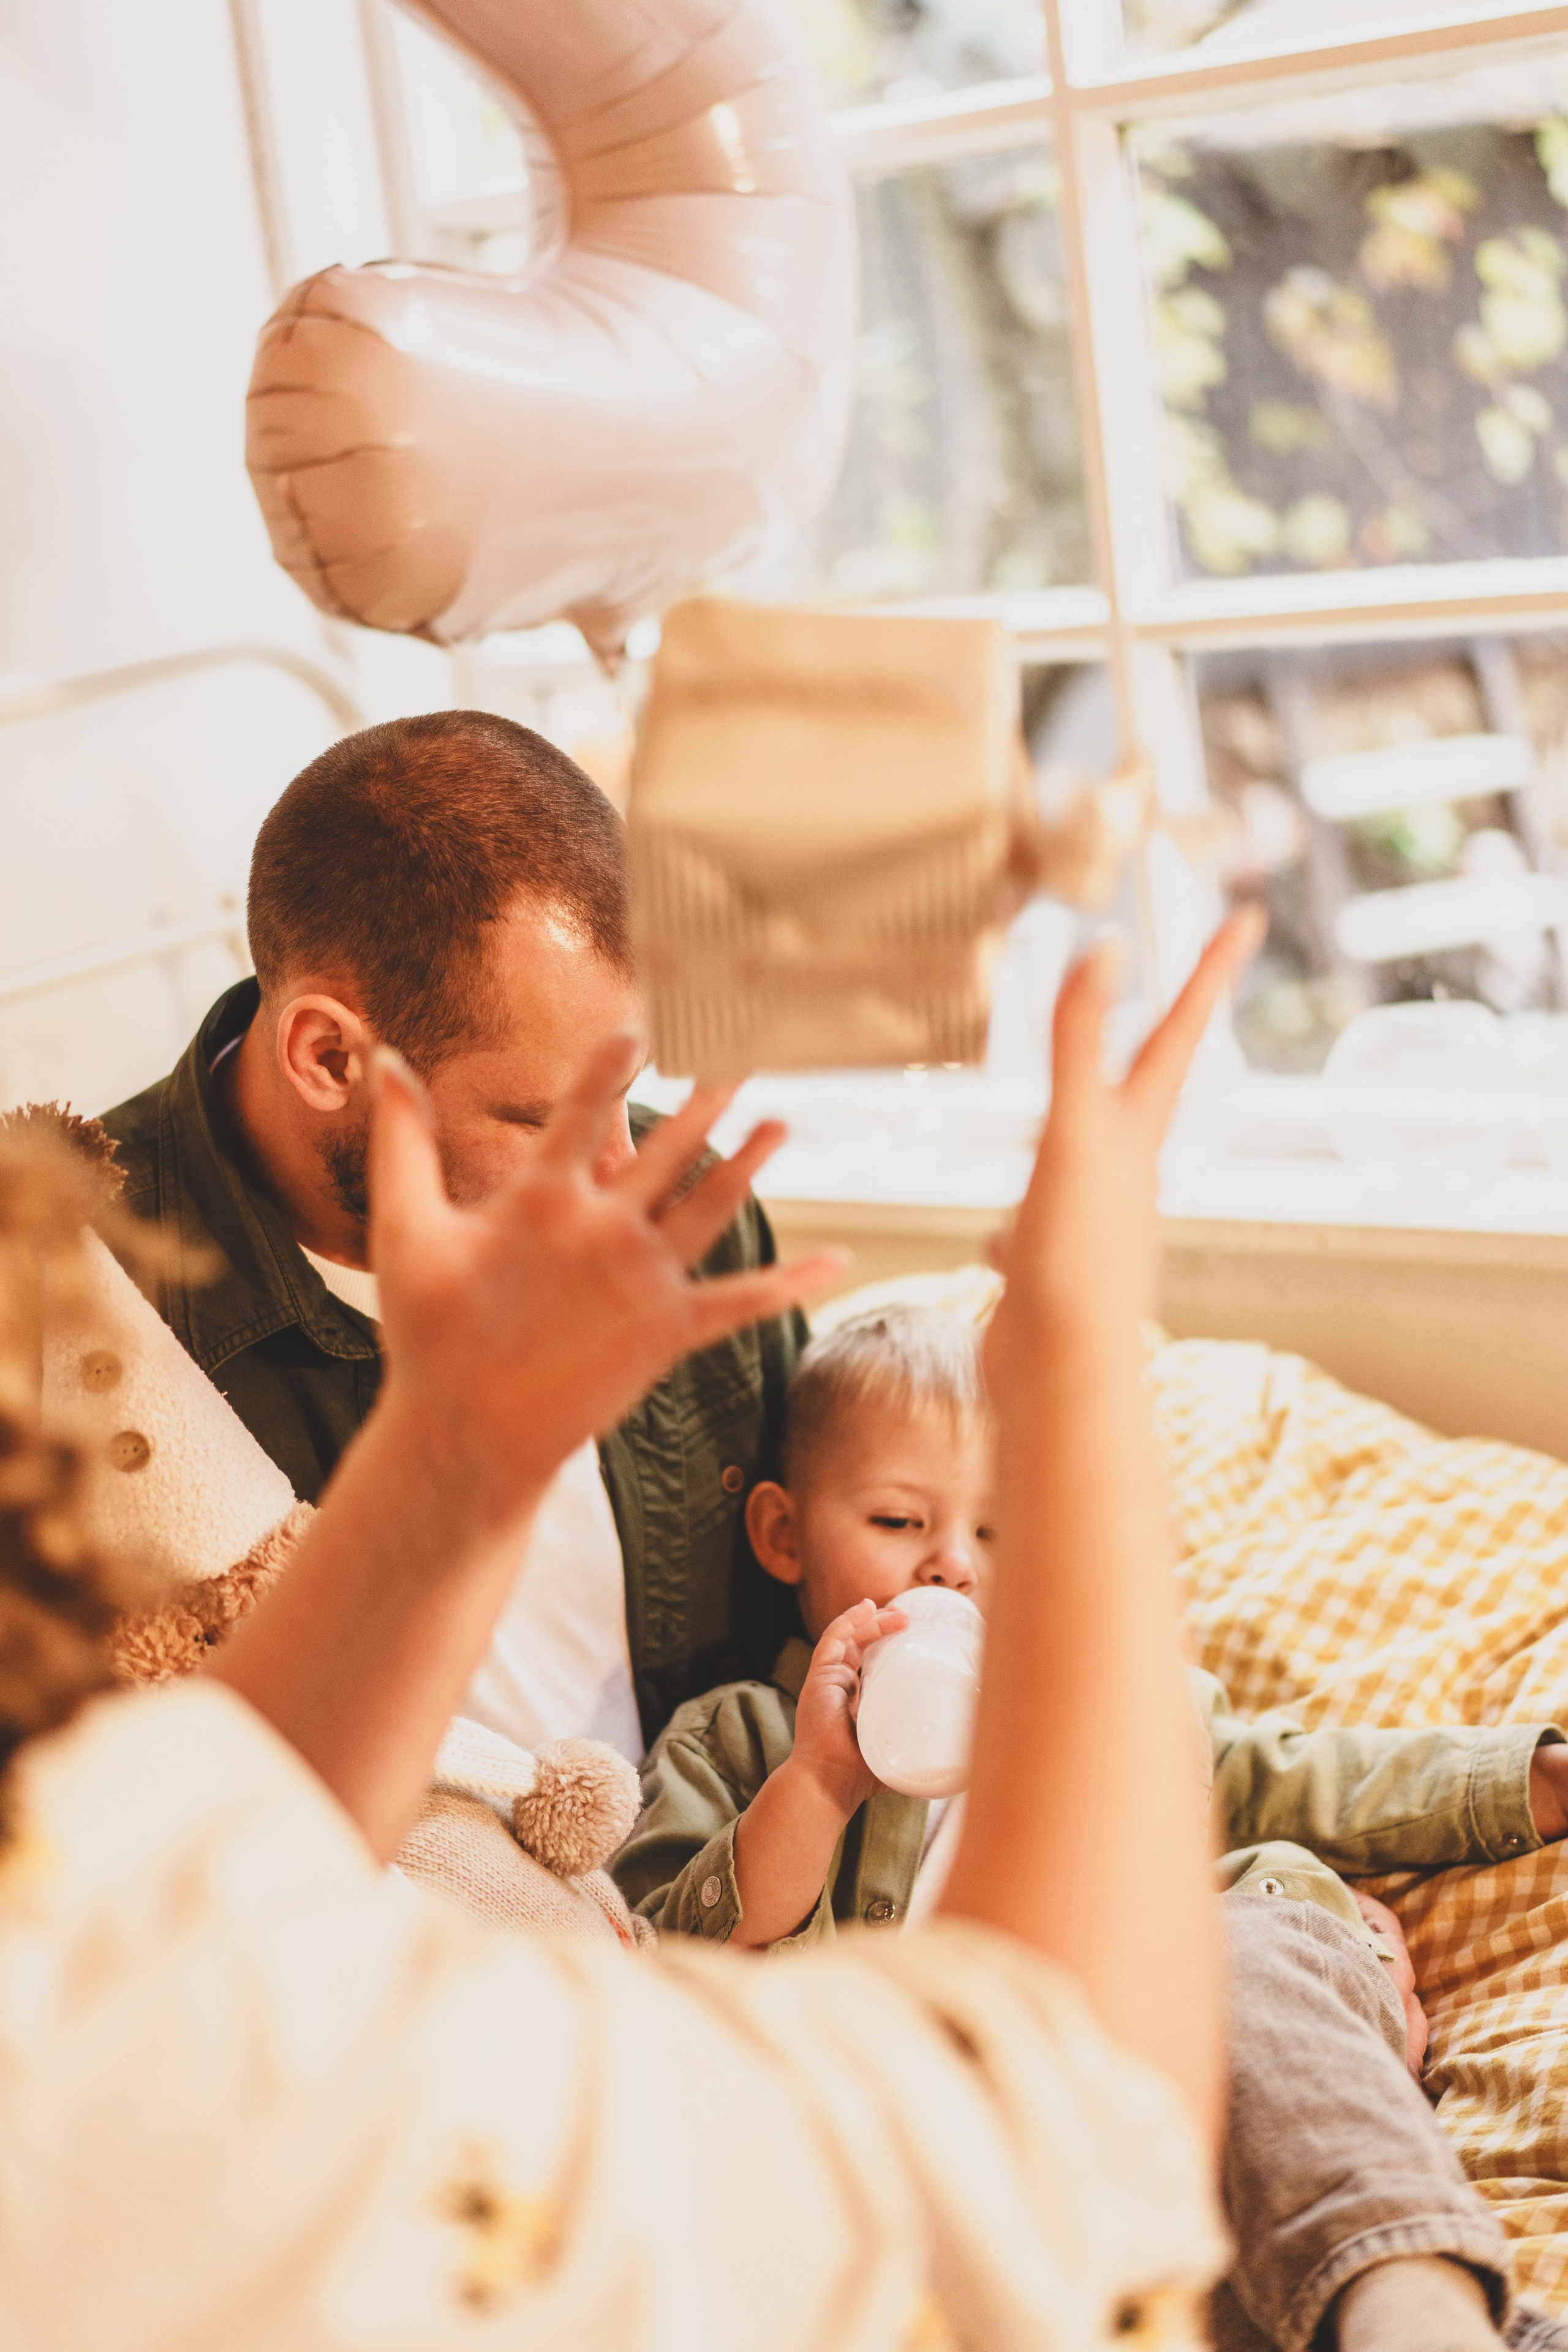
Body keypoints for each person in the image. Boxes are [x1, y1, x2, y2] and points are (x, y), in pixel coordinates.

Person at [0, 924, 1256, 2348]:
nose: (607, 1159)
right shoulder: (267, 2093)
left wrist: (462, 1452)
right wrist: (1075, 1365)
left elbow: (232, 1851)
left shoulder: (105, 1856)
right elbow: (1059, 2163)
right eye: (538, 1116)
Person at [615, 1303, 1568, 2352]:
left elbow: (1308, 1778)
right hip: (970, 2155)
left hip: (1180, 2054)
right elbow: (669, 1968)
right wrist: (817, 1784)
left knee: (1252, 1963)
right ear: (784, 1536)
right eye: (897, 1521)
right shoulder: (738, 1738)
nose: (953, 1566)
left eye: (1000, 1531)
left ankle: (1417, 2310)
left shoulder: (1117, 1705)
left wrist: (1524, 1782)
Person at [102, 712, 804, 1763]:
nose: (625, 1174)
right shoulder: (71, 1308)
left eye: (625, 1090)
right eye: (548, 1120)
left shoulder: (692, 1215)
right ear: (329, 1058)